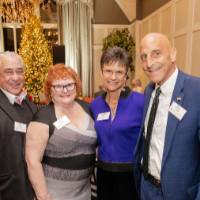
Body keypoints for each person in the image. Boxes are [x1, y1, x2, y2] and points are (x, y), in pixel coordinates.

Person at [134, 32, 200, 200]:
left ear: (172, 54)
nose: (149, 63)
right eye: (143, 57)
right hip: (147, 189)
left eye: (156, 54)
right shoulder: (150, 91)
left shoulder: (196, 91)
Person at [25, 63, 97, 200]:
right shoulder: (43, 118)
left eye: (69, 84)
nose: (65, 90)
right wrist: (43, 196)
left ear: (76, 86)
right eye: (58, 86)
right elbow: (32, 161)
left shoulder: (88, 109)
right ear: (50, 90)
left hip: (85, 191)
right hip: (54, 193)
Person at [90, 47, 144, 200]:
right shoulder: (95, 105)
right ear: (101, 72)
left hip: (131, 176)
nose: (113, 77)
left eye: (119, 72)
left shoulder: (141, 102)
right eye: (108, 71)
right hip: (103, 174)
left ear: (126, 75)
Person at [0, 51, 37, 200]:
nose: (15, 78)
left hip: (30, 188)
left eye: (19, 71)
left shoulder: (29, 104)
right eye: (8, 72)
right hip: (6, 190)